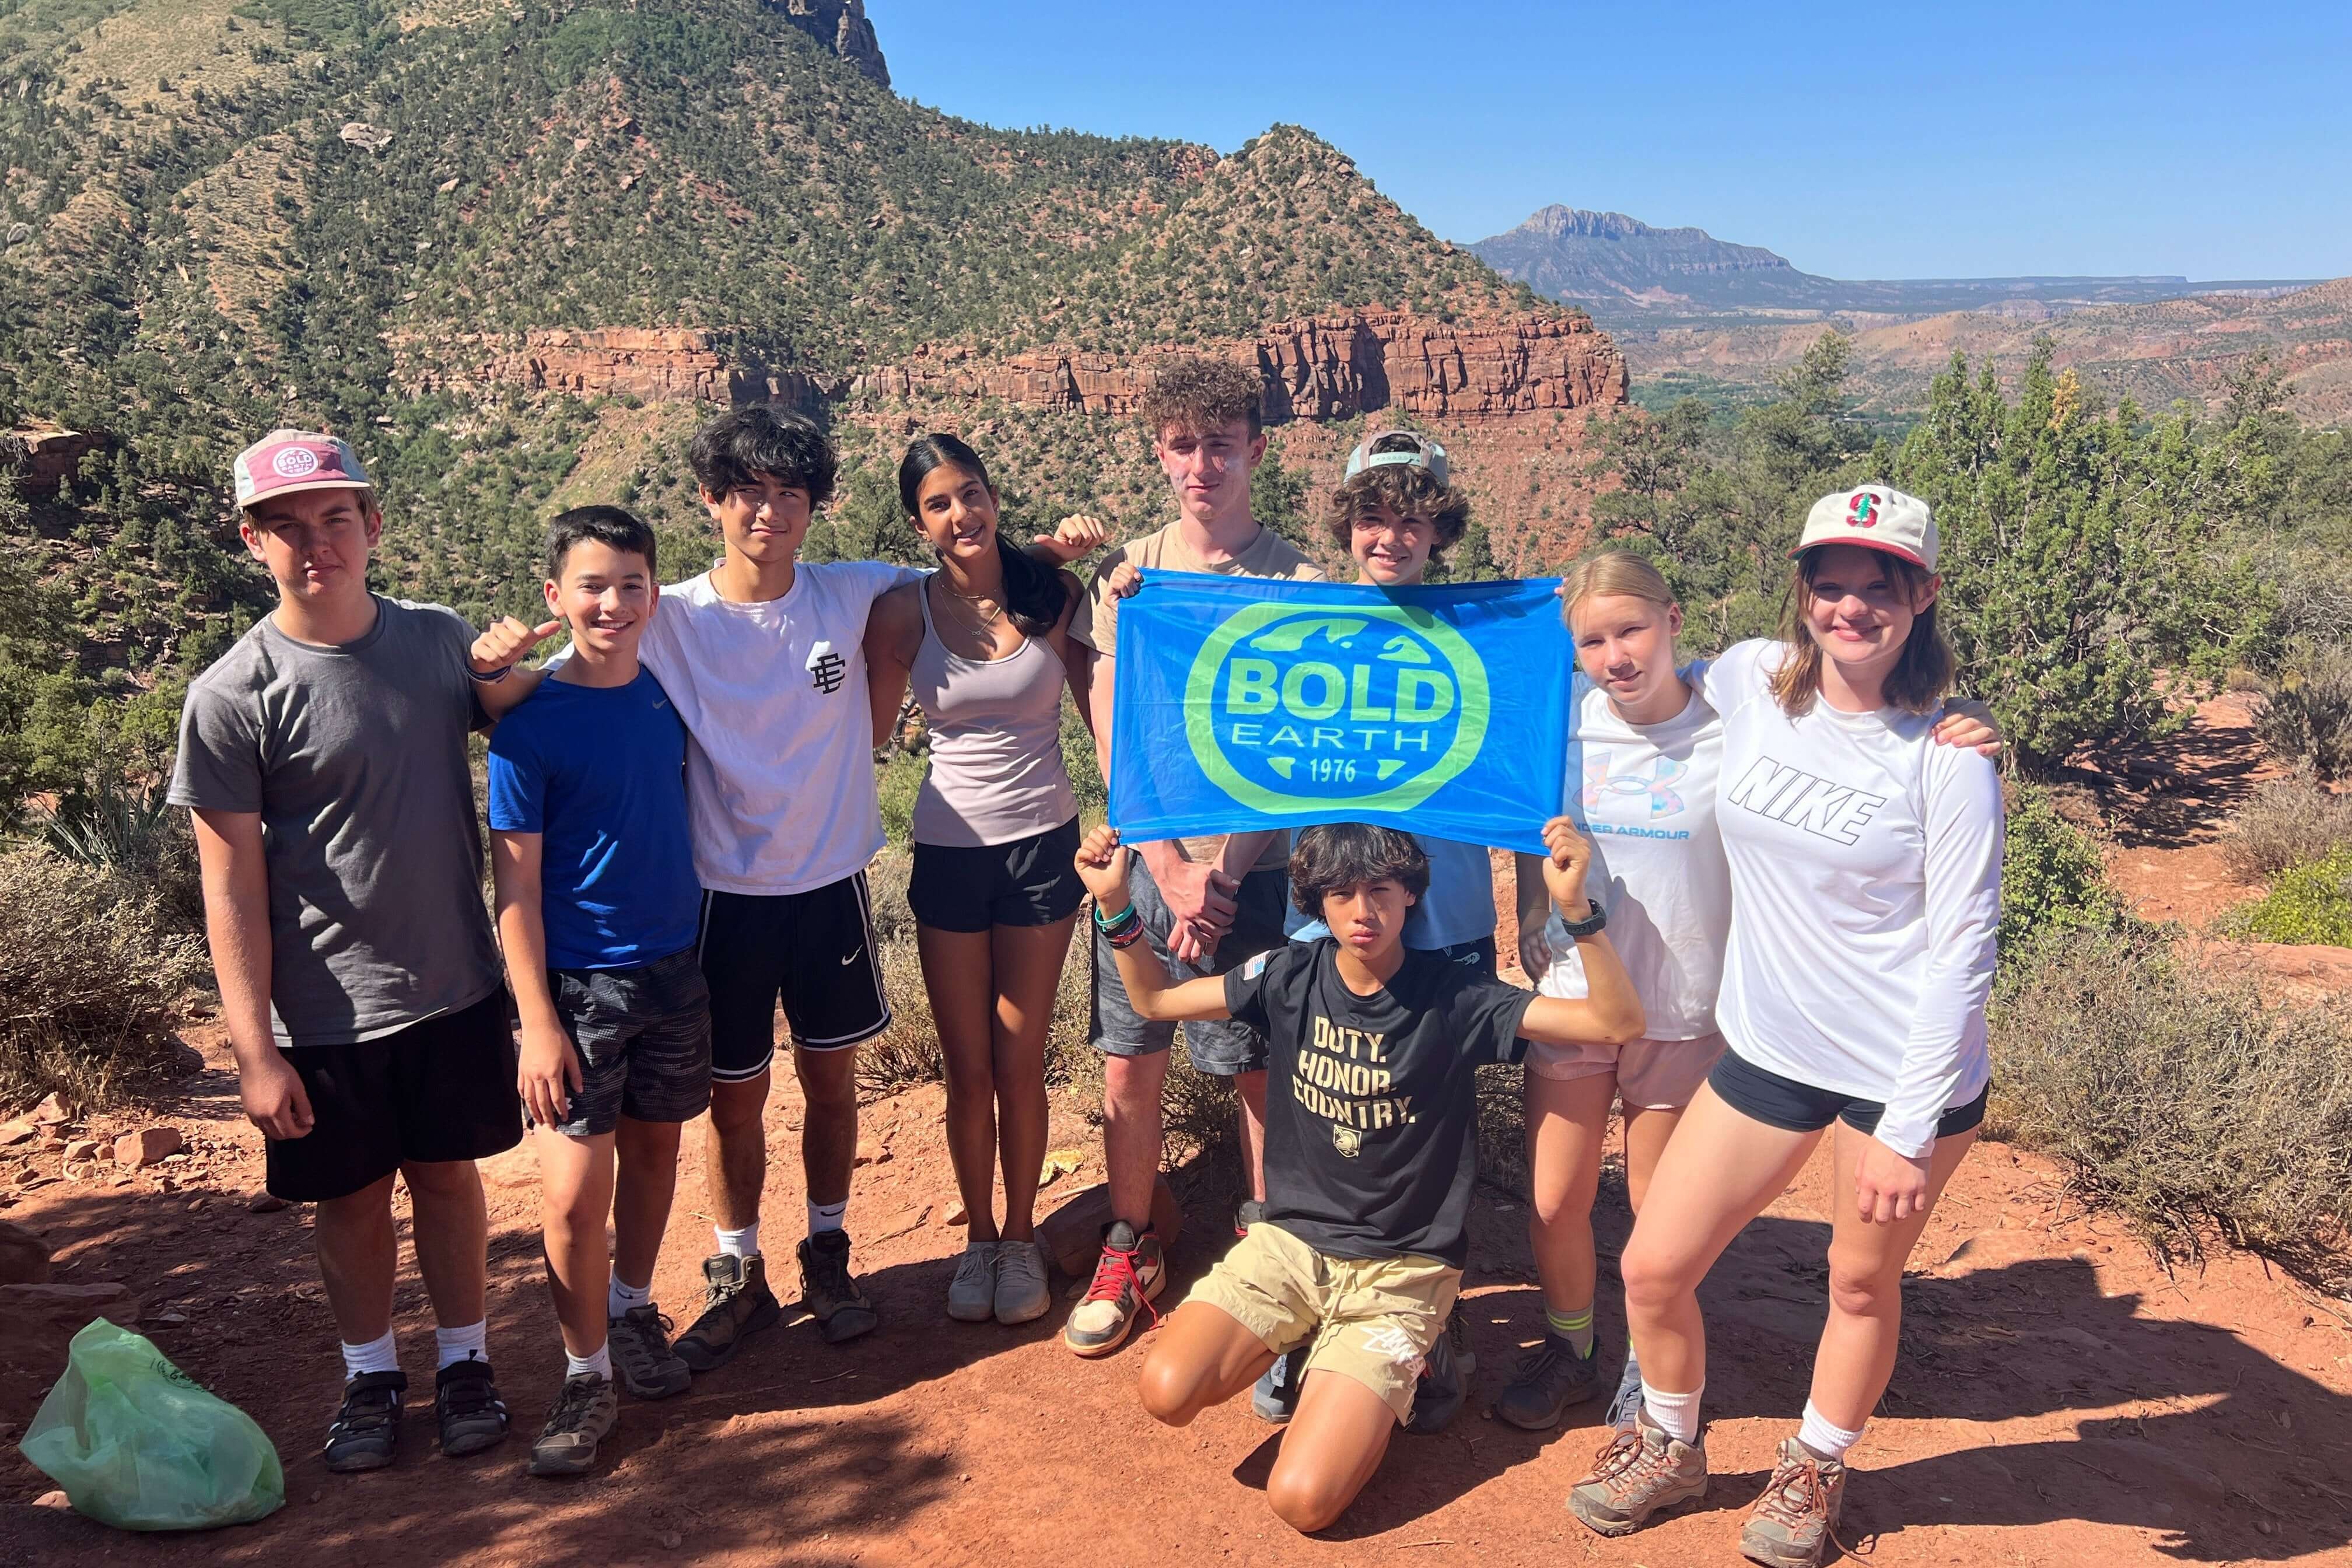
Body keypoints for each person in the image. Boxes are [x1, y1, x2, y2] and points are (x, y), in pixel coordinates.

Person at [473, 408, 1105, 1371]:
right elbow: (568, 673)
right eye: (749, 493)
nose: (769, 512)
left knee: (831, 1082)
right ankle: (739, 1268)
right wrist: (487, 676)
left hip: (832, 881)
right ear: (712, 501)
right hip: (722, 892)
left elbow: (963, 569)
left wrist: (1045, 549)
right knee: (736, 1097)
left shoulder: (853, 592)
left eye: (790, 494)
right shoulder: (668, 611)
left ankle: (828, 1251)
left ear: (816, 506)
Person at [1564, 487, 2003, 1568]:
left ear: (1922, 595)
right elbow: (1629, 662)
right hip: (1767, 1050)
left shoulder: (1944, 760)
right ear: (1801, 591)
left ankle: (1815, 1461)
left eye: (1877, 587)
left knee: (1858, 1281)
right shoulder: (1751, 679)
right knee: (1654, 1264)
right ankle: (1670, 1439)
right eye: (1829, 583)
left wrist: (1907, 1125)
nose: (1849, 607)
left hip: (1901, 1072)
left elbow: (1962, 953)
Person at [1075, 817, 1644, 1534]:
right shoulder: (1287, 975)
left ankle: (1401, 1358)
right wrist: (1116, 906)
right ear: (1316, 903)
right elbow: (1157, 1002)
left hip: (1400, 1272)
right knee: (1166, 1391)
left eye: (1381, 890)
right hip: (1291, 1248)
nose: (1363, 912)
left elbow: (1617, 1022)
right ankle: (1317, 1345)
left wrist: (1577, 916)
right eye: (1341, 894)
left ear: (1411, 894)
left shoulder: (1456, 995)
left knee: (1303, 1501)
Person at [170, 431, 540, 1472]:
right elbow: (229, 881)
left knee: (449, 1174)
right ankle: (372, 1375)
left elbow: (513, 715)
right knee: (350, 1197)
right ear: (253, 542)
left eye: (335, 518)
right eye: (286, 526)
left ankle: (465, 1361)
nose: (314, 544)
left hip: (455, 982)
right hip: (323, 1010)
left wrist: (513, 665)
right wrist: (253, 1048)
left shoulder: (436, 642)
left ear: (372, 525)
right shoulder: (231, 694)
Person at [1062, 359, 1325, 1359]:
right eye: (1182, 444)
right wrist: (1167, 863)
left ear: (1256, 450)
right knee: (1132, 1065)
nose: (1200, 464)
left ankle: (1267, 1265)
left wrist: (1218, 872)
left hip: (1252, 877)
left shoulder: (1300, 583)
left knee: (1255, 1070)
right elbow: (1110, 721)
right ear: (1159, 451)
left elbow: (1291, 751)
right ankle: (1130, 1246)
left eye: (1220, 444)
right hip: (1148, 863)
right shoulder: (1131, 574)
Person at [1257, 429, 1499, 1431]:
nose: (1387, 534)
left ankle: (1429, 1317)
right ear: (1345, 523)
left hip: (1446, 926)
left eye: (1409, 514)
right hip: (1325, 918)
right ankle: (1309, 1317)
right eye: (1370, 514)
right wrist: (1131, 593)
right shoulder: (1304, 621)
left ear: (1440, 527)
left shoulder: (1481, 628)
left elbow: (1637, 669)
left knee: (1432, 1133)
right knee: (1320, 1124)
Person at [487, 507, 708, 1477]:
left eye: (629, 584)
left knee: (657, 1153)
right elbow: (515, 888)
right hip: (578, 990)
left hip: (674, 966)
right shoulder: (529, 725)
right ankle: (583, 1374)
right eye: (591, 585)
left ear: (653, 593)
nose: (611, 602)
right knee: (575, 1193)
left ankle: (629, 1309)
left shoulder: (667, 692)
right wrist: (537, 1022)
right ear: (555, 598)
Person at [862, 434, 1095, 1326]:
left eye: (970, 494)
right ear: (920, 523)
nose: (961, 515)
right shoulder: (902, 615)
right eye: (938, 505)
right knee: (966, 1067)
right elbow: (867, 736)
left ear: (994, 495)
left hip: (1044, 846)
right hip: (950, 851)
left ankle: (1025, 1237)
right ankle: (979, 1242)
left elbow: (1101, 706)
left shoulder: (1051, 591)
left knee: (1018, 1058)